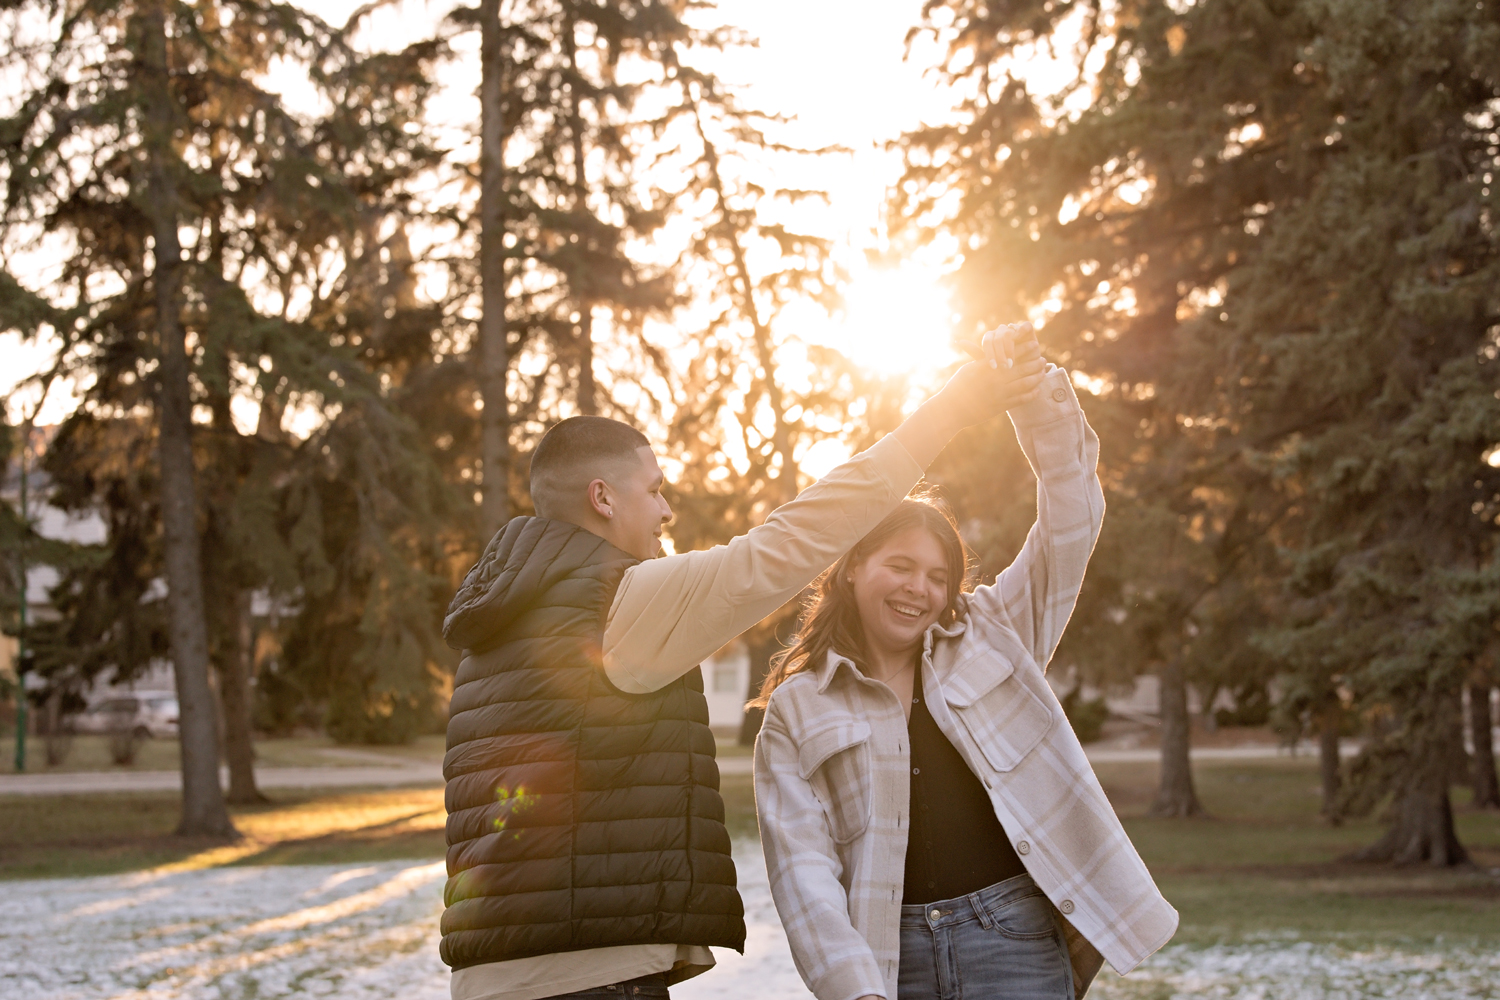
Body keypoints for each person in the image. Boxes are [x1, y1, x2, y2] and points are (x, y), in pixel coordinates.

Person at [439, 326, 1048, 1000]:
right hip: (587, 976)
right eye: (654, 489)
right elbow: (791, 542)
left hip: (495, 973)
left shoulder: (499, 623)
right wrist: (956, 405)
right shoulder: (619, 599)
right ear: (603, 498)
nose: (667, 510)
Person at [752, 324, 1178, 1000]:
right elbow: (802, 869)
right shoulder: (798, 708)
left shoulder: (993, 633)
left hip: (1012, 939)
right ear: (854, 566)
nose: (918, 589)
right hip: (890, 959)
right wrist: (853, 988)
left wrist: (1032, 393)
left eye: (937, 575)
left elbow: (1072, 521)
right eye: (899, 566)